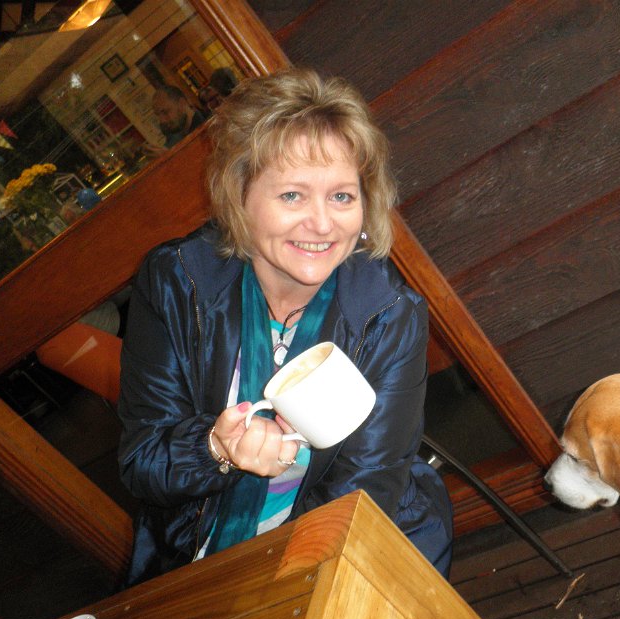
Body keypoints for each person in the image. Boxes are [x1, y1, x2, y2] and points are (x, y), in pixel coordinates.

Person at [117, 67, 454, 586]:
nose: (322, 224)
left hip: (346, 546)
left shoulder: (388, 313)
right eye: (292, 195)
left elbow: (361, 492)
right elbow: (143, 461)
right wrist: (214, 449)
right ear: (239, 196)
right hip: (193, 550)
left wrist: (267, 587)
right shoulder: (177, 282)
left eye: (342, 196)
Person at [151, 83, 208, 149]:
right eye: (158, 115)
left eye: (165, 112)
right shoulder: (174, 135)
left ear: (182, 103)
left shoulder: (208, 125)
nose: (162, 120)